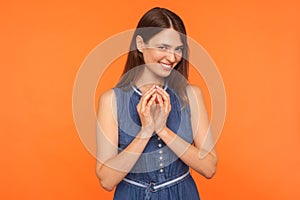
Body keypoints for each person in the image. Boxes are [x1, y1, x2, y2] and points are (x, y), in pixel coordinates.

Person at [96, 7, 218, 200]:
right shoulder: (111, 100)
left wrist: (163, 130)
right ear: (140, 44)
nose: (172, 58)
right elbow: (107, 181)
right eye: (163, 47)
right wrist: (146, 131)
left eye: (178, 49)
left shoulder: (191, 95)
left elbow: (209, 167)